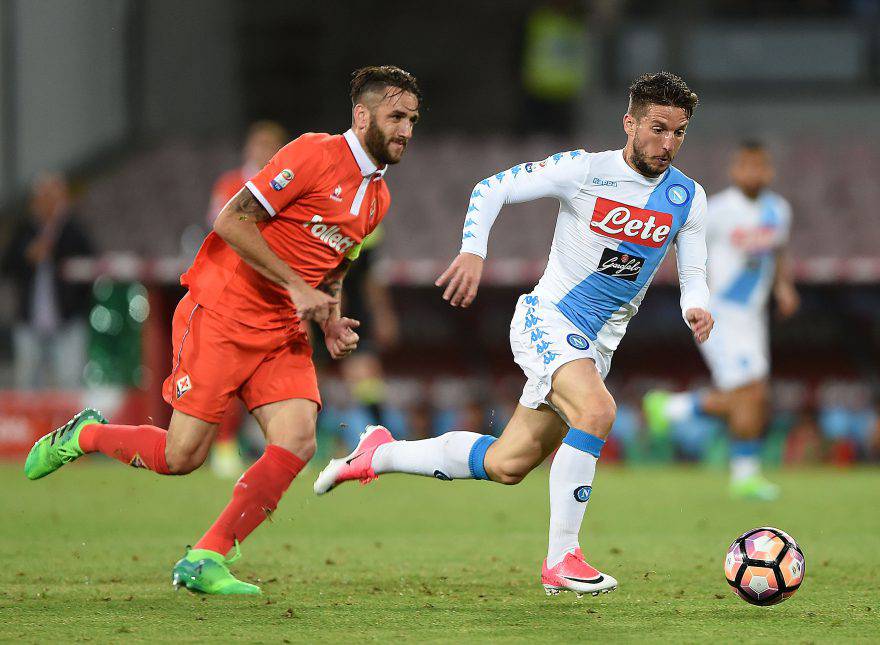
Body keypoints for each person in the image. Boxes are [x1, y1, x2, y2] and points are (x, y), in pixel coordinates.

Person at [23, 66, 422, 595]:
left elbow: (338, 264)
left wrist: (327, 316)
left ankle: (207, 555)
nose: (406, 130)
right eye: (396, 116)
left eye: (413, 119)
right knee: (182, 455)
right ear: (362, 115)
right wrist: (296, 286)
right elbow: (231, 221)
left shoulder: (378, 199)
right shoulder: (313, 154)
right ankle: (85, 435)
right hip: (222, 313)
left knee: (298, 439)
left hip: (282, 330)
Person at [314, 72, 713, 598]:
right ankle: (562, 560)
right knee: (597, 412)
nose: (668, 144)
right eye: (658, 128)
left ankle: (378, 454)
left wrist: (696, 306)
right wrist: (474, 249)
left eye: (679, 133)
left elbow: (694, 268)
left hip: (596, 345)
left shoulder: (688, 195)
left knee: (508, 463)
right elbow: (492, 187)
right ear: (630, 122)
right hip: (547, 320)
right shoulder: (583, 170)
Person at [643, 142, 798, 501]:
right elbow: (684, 241)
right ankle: (672, 409)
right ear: (734, 170)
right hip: (722, 313)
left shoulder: (778, 211)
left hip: (753, 317)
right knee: (749, 394)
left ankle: (742, 472)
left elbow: (780, 250)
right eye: (746, 166)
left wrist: (784, 287)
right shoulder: (719, 209)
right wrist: (694, 294)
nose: (753, 173)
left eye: (760, 166)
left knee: (755, 397)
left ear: (769, 170)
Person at [206, 121, 288, 479]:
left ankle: (279, 448)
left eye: (271, 144)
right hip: (233, 289)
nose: (263, 150)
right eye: (258, 143)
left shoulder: (289, 185)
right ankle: (224, 446)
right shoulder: (230, 184)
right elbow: (220, 228)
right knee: (228, 373)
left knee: (275, 372)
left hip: (274, 292)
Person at [1, 172, 94, 389]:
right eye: (44, 197)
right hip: (30, 322)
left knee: (69, 383)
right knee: (27, 384)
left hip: (67, 321)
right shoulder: (24, 230)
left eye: (55, 198)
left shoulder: (73, 230)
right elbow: (6, 266)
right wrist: (27, 256)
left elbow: (89, 265)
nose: (49, 204)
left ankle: (70, 424)